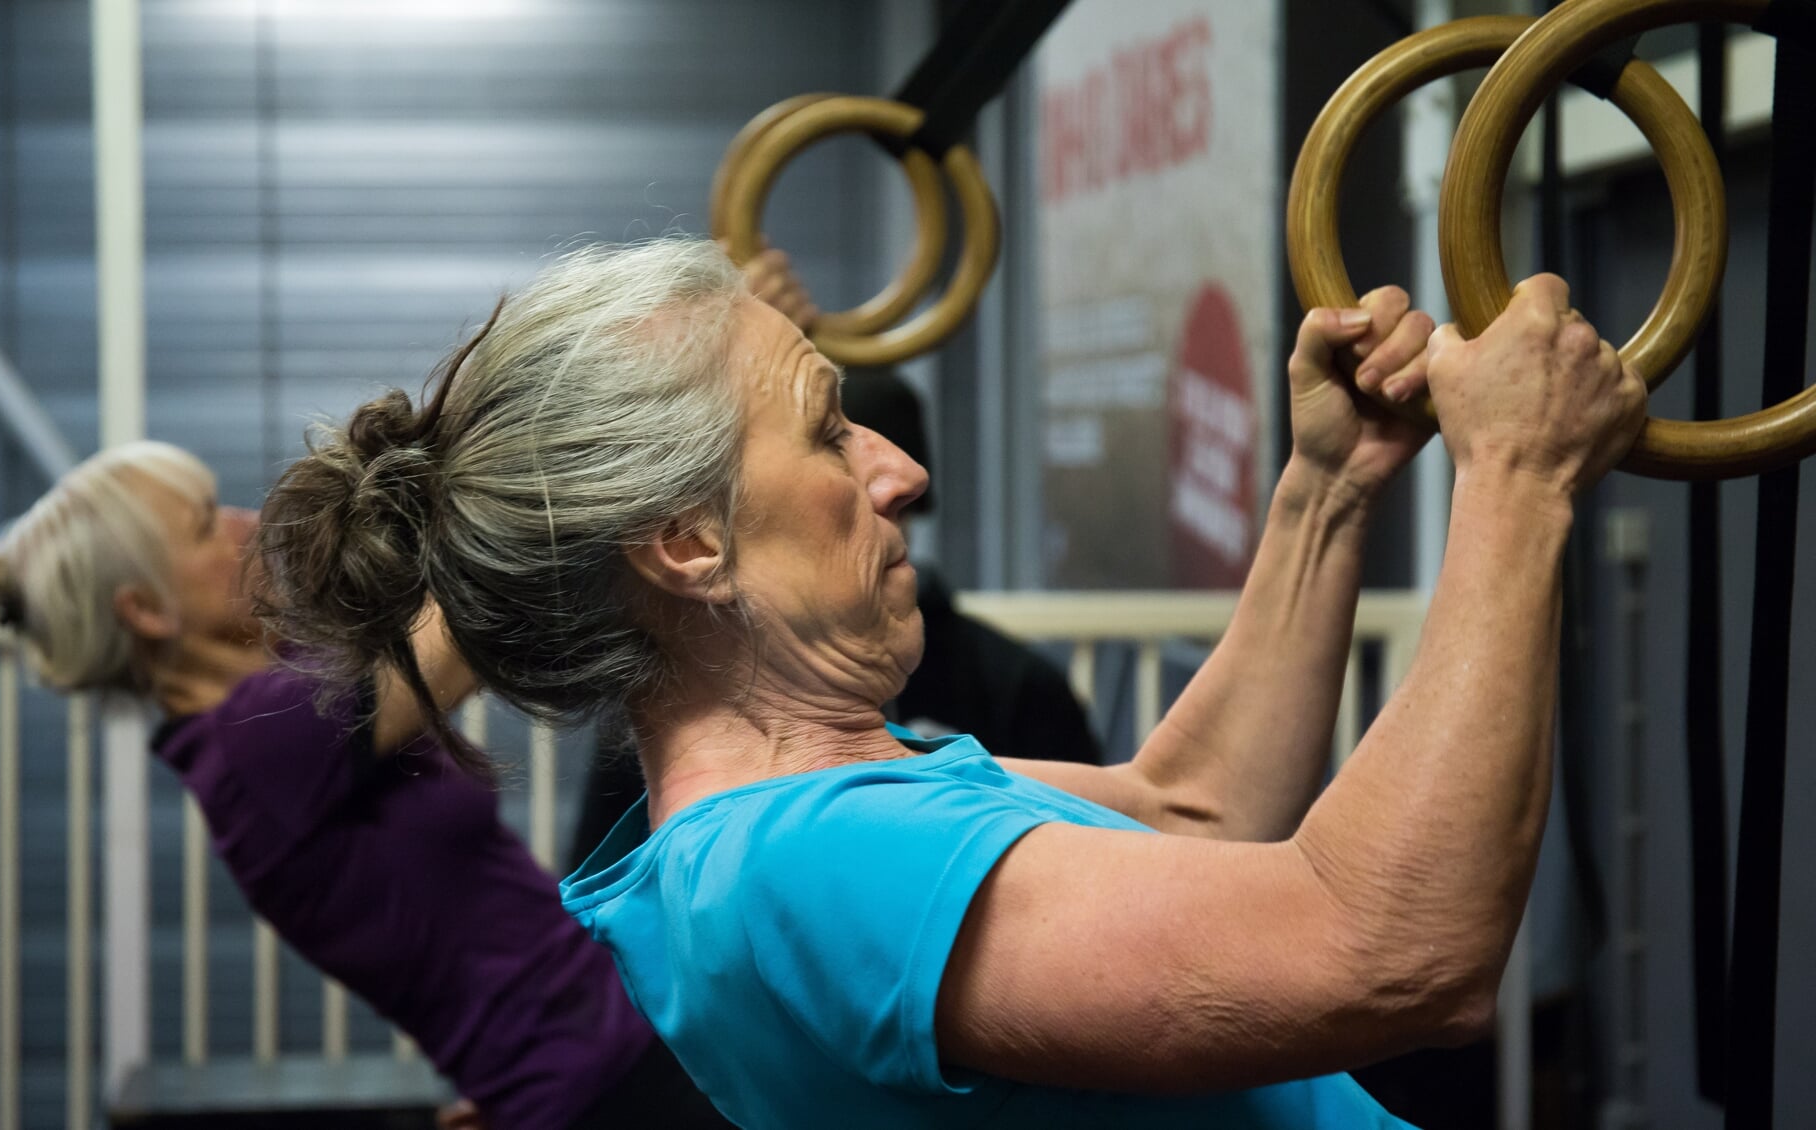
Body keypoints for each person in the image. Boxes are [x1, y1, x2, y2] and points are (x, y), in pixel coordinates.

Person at [257, 238, 1644, 1129]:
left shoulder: (803, 813)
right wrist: (1515, 480)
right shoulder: (811, 865)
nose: (899, 470)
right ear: (687, 545)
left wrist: (1327, 488)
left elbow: (1194, 809)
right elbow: (1397, 949)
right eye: (825, 426)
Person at [0, 245, 813, 1129]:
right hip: (592, 1083)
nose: (246, 524)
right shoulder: (256, 741)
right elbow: (480, 598)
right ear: (144, 610)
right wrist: (694, 365)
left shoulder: (268, 723)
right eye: (200, 524)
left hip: (573, 1062)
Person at [566, 365, 1101, 870]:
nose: (901, 479)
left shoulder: (1015, 688)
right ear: (691, 539)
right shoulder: (679, 702)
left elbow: (1108, 842)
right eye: (827, 443)